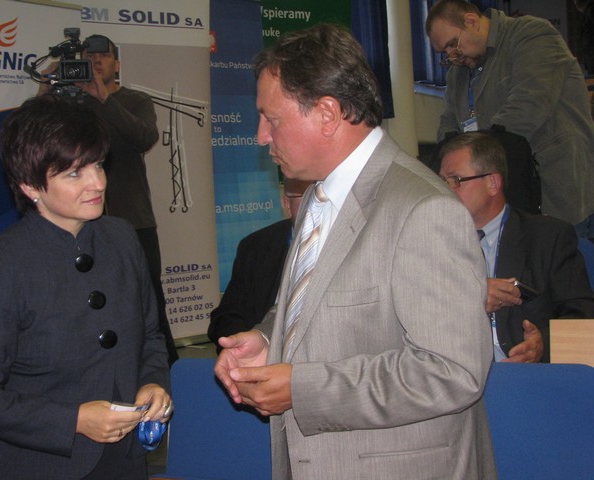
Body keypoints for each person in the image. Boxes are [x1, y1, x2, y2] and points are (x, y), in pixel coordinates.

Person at [214, 24, 496, 479]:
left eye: (272, 119)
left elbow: (452, 371)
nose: (261, 135)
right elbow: (313, 304)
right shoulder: (317, 195)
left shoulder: (423, 210)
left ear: (327, 113)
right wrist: (267, 339)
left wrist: (302, 389)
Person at [0, 94, 172, 480]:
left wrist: (152, 383)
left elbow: (151, 336)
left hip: (123, 458)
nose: (98, 183)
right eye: (74, 173)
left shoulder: (121, 238)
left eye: (98, 165)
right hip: (34, 465)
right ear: (29, 185)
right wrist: (73, 420)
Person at [38, 34, 179, 365]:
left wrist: (103, 98)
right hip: (79, 224)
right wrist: (47, 87)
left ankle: (167, 371)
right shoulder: (70, 104)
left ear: (117, 64)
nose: (96, 60)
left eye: (104, 55)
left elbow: (144, 137)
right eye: (89, 56)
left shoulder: (134, 100)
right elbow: (36, 137)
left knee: (149, 299)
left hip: (134, 220)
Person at [426, 0, 594, 239]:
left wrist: (472, 157)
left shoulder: (532, 35)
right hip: (507, 197)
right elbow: (448, 124)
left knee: (568, 260)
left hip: (558, 190)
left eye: (453, 44)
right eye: (445, 53)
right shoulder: (458, 74)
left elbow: (527, 107)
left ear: (471, 22)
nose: (452, 56)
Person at [438, 132, 594, 363]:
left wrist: (543, 344)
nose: (445, 190)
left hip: (524, 373)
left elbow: (583, 318)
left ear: (492, 183)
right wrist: (469, 298)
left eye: (456, 180)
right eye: (442, 182)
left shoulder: (547, 237)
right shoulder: (431, 242)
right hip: (454, 370)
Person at [207, 177, 311, 352]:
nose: (316, 204)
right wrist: (241, 345)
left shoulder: (349, 244)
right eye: (306, 196)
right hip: (262, 354)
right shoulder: (256, 246)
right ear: (287, 205)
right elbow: (228, 316)